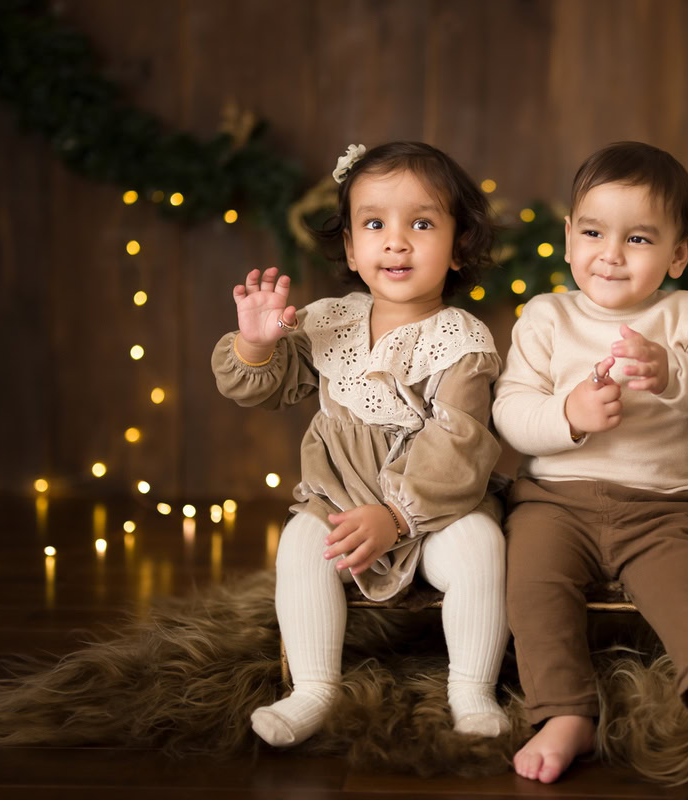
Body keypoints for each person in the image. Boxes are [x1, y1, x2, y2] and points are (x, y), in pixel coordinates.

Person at [493, 141, 688, 783]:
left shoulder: (687, 316)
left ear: (678, 254)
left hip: (661, 508)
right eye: (593, 233)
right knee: (531, 584)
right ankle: (565, 712)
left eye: (638, 238)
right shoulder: (547, 317)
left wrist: (673, 371)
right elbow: (510, 412)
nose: (611, 254)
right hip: (554, 503)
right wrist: (568, 415)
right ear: (568, 238)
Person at [212, 141, 510, 747]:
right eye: (374, 224)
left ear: (458, 248)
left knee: (483, 547)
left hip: (434, 510)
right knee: (301, 544)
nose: (395, 242)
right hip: (341, 504)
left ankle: (471, 690)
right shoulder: (329, 322)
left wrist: (397, 517)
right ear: (351, 247)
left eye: (421, 224)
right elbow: (264, 388)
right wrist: (257, 346)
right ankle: (314, 689)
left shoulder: (461, 341)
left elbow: (460, 445)